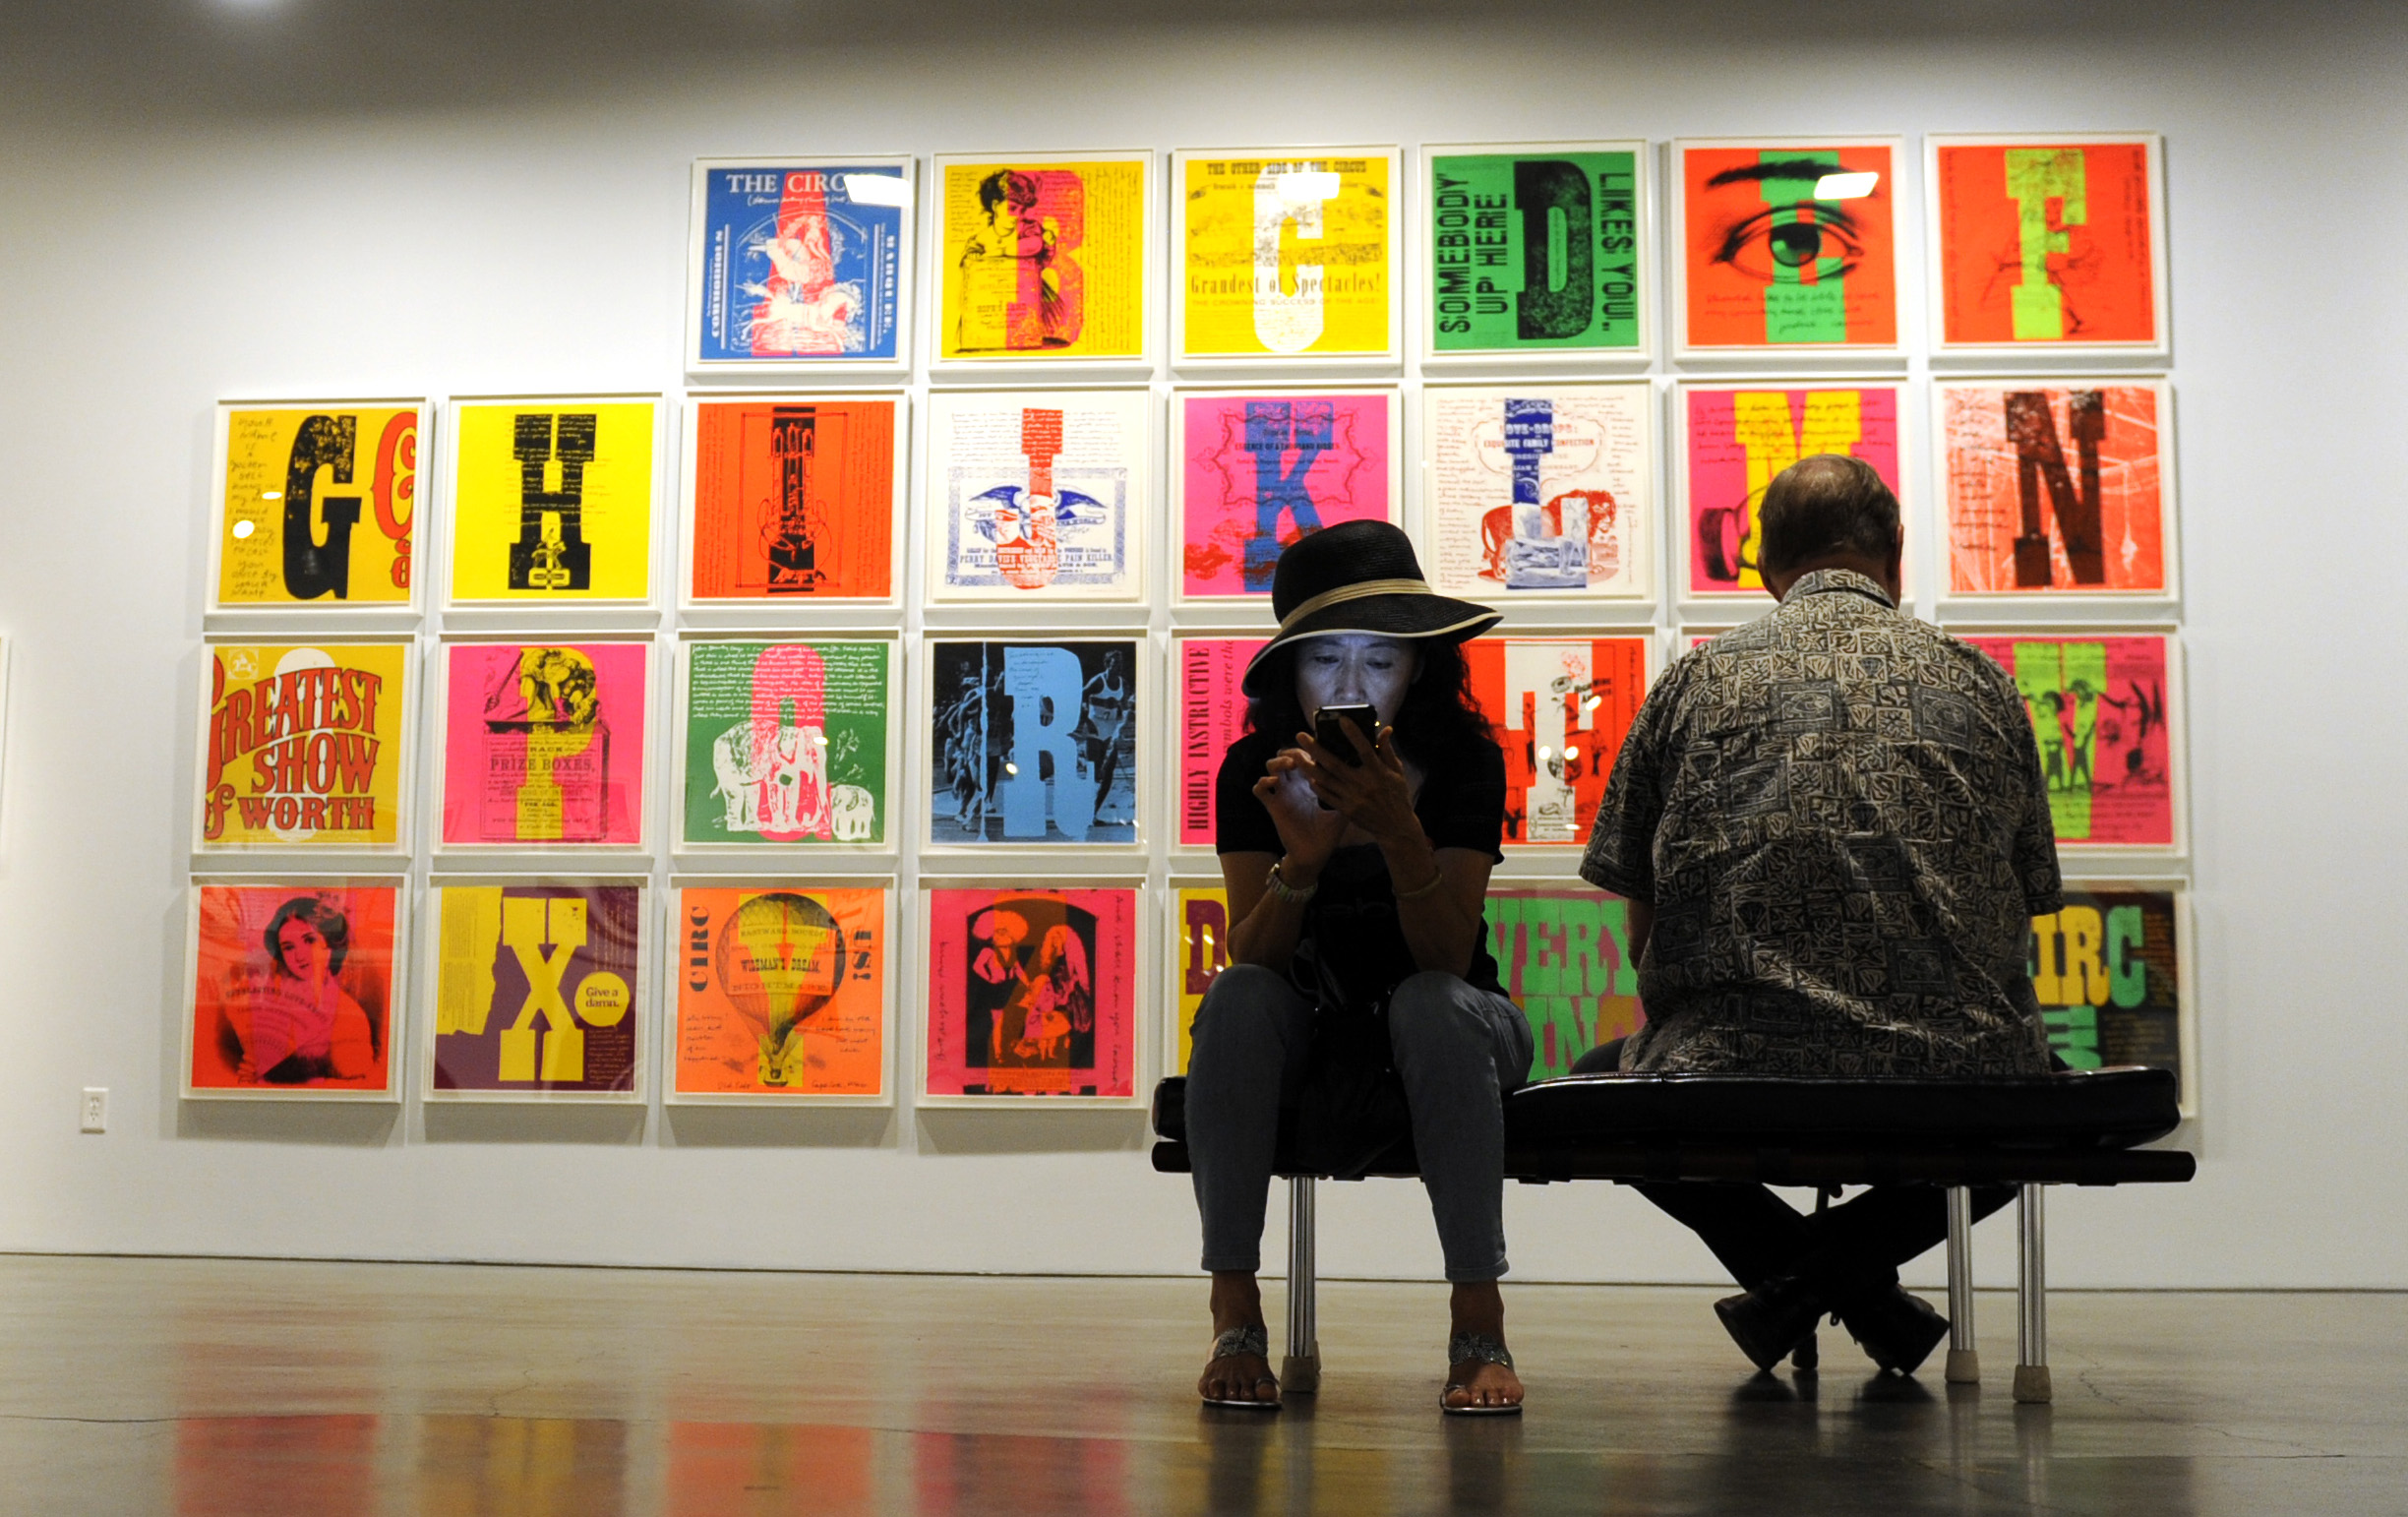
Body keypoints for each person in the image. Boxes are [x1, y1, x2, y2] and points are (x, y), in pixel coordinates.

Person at [1579, 454, 2065, 1377]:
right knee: (2031, 1099)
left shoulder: (1693, 684)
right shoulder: (1984, 685)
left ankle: (1797, 1281)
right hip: (1953, 1074)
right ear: (1896, 553)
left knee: (1604, 1093)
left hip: (1730, 1071)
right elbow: (2023, 905)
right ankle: (1852, 1283)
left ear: (1763, 564)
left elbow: (1642, 931)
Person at [1185, 520, 1534, 1416]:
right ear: (1288, 672)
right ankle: (1234, 1307)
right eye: (1325, 661)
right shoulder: (1249, 772)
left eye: (1380, 662)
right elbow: (1253, 955)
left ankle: (1478, 1318)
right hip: (1313, 1023)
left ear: (1420, 668)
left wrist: (1399, 829)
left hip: (1457, 1021)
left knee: (1430, 1004)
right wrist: (1301, 862)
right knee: (1235, 995)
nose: (1351, 687)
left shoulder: (1462, 762)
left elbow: (1449, 956)